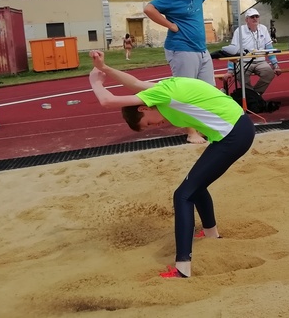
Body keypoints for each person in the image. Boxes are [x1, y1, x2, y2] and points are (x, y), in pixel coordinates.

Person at [87, 50, 254, 279]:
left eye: (147, 124)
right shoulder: (162, 90)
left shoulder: (163, 95)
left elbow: (107, 101)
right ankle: (211, 234)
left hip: (233, 135)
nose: (154, 127)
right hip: (236, 131)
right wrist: (104, 68)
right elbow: (134, 83)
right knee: (196, 185)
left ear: (144, 108)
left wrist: (95, 80)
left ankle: (183, 268)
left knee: (182, 195)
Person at [144, 0, 241, 143]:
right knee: (185, 93)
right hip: (181, 49)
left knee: (208, 90)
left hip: (201, 49)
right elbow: (149, 9)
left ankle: (207, 127)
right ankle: (191, 133)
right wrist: (170, 25)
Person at [221, 8, 281, 97]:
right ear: (246, 20)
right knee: (240, 74)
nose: (255, 18)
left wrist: (275, 65)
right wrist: (230, 70)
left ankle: (254, 95)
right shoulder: (239, 31)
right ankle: (253, 96)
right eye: (252, 17)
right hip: (244, 61)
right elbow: (232, 50)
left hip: (260, 61)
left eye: (257, 16)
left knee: (269, 73)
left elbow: (269, 48)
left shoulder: (263, 29)